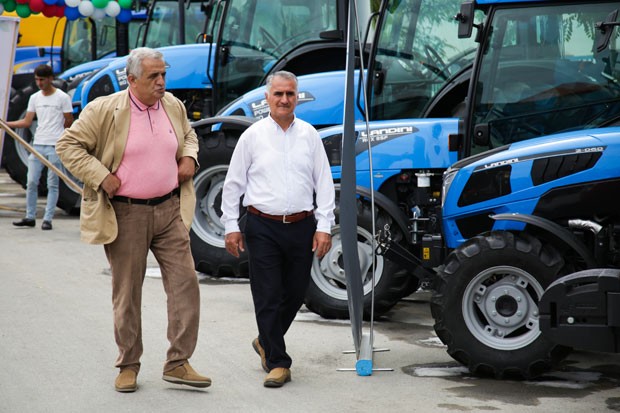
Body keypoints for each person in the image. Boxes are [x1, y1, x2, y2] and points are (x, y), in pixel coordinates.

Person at [56, 47, 211, 393]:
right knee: (127, 293)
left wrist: (189, 156)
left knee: (186, 283)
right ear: (132, 79)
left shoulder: (173, 105)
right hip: (126, 213)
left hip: (169, 210)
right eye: (153, 76)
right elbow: (68, 145)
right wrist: (100, 176)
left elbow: (188, 135)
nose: (161, 82)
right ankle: (128, 364)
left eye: (163, 74)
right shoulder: (105, 109)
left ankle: (178, 362)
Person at [221, 70, 335, 388]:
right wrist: (231, 226)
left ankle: (265, 340)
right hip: (262, 226)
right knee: (268, 294)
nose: (284, 99)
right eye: (278, 94)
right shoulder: (252, 136)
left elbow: (324, 183)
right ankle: (278, 361)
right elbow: (233, 184)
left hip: (302, 226)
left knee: (296, 294)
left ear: (297, 97)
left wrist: (324, 226)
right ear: (267, 97)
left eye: (290, 94)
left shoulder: (310, 135)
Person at [8, 64, 73, 231]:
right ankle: (30, 217)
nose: (39, 83)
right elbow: (27, 122)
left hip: (55, 146)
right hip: (37, 146)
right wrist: (7, 124)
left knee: (53, 184)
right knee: (31, 182)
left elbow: (69, 122)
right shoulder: (34, 98)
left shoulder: (62, 97)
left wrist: (65, 141)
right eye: (37, 79)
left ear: (50, 79)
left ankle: (47, 219)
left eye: (42, 80)